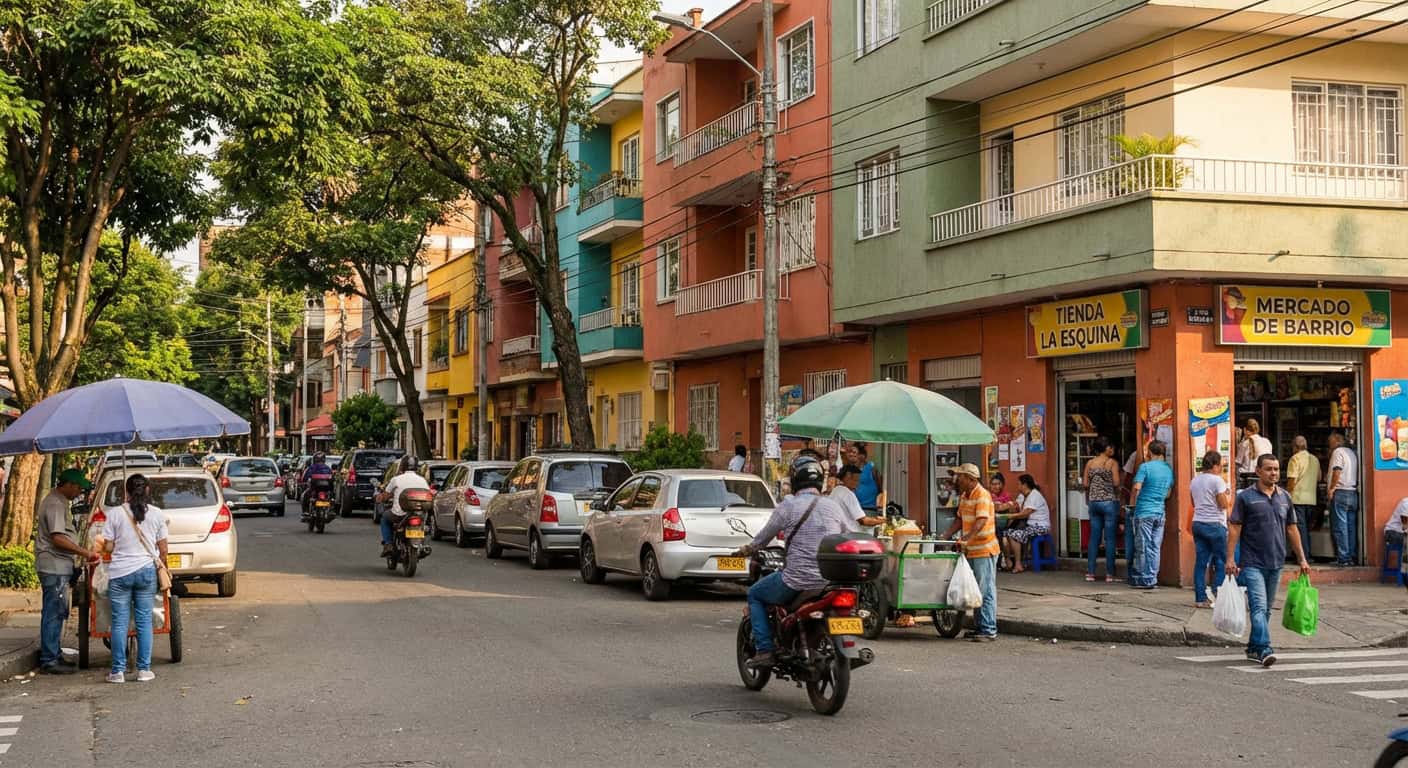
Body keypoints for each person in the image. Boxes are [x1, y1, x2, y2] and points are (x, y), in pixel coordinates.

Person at [735, 457, 858, 666]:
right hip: (829, 582)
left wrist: (747, 549)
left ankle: (764, 650)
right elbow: (851, 535)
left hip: (796, 581)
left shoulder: (789, 505)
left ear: (795, 480)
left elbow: (763, 538)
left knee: (755, 594)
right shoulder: (833, 506)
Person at [1226, 454, 1310, 668]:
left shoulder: (1285, 497)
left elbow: (1292, 529)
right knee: (1258, 606)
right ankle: (1264, 648)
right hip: (1252, 561)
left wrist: (1302, 559)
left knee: (1267, 609)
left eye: (1276, 469)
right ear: (1258, 472)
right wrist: (1230, 558)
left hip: (1276, 561)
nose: (1273, 473)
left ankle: (1253, 646)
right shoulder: (1246, 497)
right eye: (1269, 469)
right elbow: (1235, 527)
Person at [97, 474, 168, 684]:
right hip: (146, 571)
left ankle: (117, 672)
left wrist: (111, 545)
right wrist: (162, 565)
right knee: (144, 621)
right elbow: (163, 548)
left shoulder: (115, 513)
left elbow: (108, 546)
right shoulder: (157, 514)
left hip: (120, 574)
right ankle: (144, 670)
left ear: (126, 492)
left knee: (119, 622)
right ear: (147, 490)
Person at [34, 469, 100, 675]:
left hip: (59, 565)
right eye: (78, 488)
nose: (79, 492)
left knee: (58, 610)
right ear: (68, 485)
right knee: (54, 612)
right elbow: (58, 538)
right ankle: (49, 659)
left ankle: (54, 653)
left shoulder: (60, 502)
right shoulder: (55, 503)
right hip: (54, 566)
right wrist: (85, 552)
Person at [942, 463, 1000, 642]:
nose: (957, 479)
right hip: (972, 550)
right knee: (976, 590)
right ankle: (980, 627)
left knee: (985, 590)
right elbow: (960, 519)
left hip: (984, 549)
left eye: (960, 476)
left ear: (970, 479)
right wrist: (946, 535)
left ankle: (988, 629)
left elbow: (981, 521)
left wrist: (967, 538)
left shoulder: (982, 495)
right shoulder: (965, 496)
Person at [1189, 451, 1232, 607]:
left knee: (1201, 563)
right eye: (1220, 465)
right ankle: (1217, 593)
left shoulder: (1194, 481)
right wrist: (1227, 497)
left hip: (1198, 523)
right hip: (1215, 524)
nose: (1220, 468)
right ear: (1215, 465)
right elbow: (1223, 504)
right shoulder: (1217, 481)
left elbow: (1193, 503)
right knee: (1222, 560)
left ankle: (1200, 598)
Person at [1129, 440, 1173, 589]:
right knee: (1155, 547)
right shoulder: (1168, 469)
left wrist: (1133, 505)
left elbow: (1137, 487)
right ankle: (1151, 578)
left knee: (1142, 546)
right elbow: (1168, 493)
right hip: (1160, 512)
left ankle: (1141, 578)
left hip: (1144, 511)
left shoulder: (1145, 467)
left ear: (1150, 452)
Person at [1082, 437, 1122, 583]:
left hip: (1093, 503)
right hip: (1109, 502)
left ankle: (1090, 573)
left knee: (1094, 538)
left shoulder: (1090, 463)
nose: (1113, 450)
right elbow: (1116, 482)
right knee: (1110, 539)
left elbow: (1085, 484)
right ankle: (1110, 574)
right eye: (1111, 447)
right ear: (1106, 448)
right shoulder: (1112, 463)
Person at [375, 455, 430, 557]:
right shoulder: (422, 480)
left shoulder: (396, 479)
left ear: (402, 466)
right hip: (419, 514)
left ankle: (388, 544)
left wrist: (380, 498)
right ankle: (421, 545)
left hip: (399, 515)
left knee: (385, 518)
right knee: (422, 525)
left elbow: (385, 496)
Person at [1001, 474, 1050, 574]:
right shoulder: (1024, 496)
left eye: (1019, 484)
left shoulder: (1034, 495)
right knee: (1007, 533)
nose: (1017, 486)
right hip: (1030, 525)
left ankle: (1018, 564)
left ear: (1025, 485)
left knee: (1014, 535)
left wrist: (1010, 516)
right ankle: (1011, 561)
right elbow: (1018, 508)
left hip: (1039, 526)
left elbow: (1025, 513)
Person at [1284, 435, 1319, 558]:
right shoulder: (1314, 459)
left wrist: (1286, 494)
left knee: (1299, 529)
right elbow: (1319, 477)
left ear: (1294, 447)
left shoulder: (1295, 459)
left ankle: (1303, 556)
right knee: (1306, 529)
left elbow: (1291, 481)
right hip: (1312, 499)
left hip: (1297, 498)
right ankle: (1307, 553)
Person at [1327, 432, 1359, 566]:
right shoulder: (1352, 452)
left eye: (1330, 442)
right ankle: (1351, 556)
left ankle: (1343, 558)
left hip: (1340, 491)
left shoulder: (1338, 452)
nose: (1329, 445)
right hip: (1352, 492)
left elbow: (1337, 471)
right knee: (1351, 527)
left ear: (1336, 442)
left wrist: (1332, 488)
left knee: (1340, 527)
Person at [853, 443, 882, 512]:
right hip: (855, 509)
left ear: (862, 456)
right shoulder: (852, 469)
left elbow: (880, 487)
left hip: (869, 508)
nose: (852, 455)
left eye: (854, 453)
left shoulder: (871, 468)